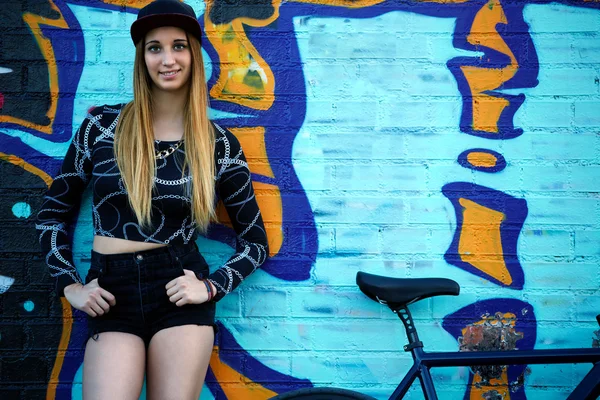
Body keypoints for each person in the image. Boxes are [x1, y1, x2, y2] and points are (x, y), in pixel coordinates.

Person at [34, 1, 269, 398]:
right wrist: (70, 286)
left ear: (194, 54)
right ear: (141, 58)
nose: (167, 59)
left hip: (177, 291)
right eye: (154, 48)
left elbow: (256, 242)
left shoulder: (217, 145)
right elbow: (51, 215)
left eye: (178, 46)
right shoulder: (102, 128)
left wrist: (210, 287)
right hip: (110, 294)